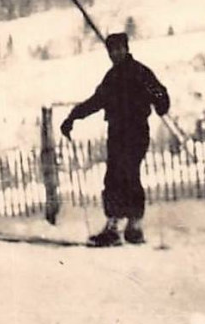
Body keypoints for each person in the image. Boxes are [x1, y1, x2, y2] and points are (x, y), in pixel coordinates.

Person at [61, 32, 170, 247]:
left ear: (127, 49)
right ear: (109, 53)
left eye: (120, 48)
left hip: (137, 130)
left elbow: (158, 91)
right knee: (113, 177)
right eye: (112, 50)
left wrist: (161, 103)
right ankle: (114, 225)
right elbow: (96, 101)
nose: (116, 53)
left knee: (129, 173)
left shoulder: (140, 72)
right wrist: (73, 117)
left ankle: (134, 224)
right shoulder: (111, 78)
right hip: (117, 131)